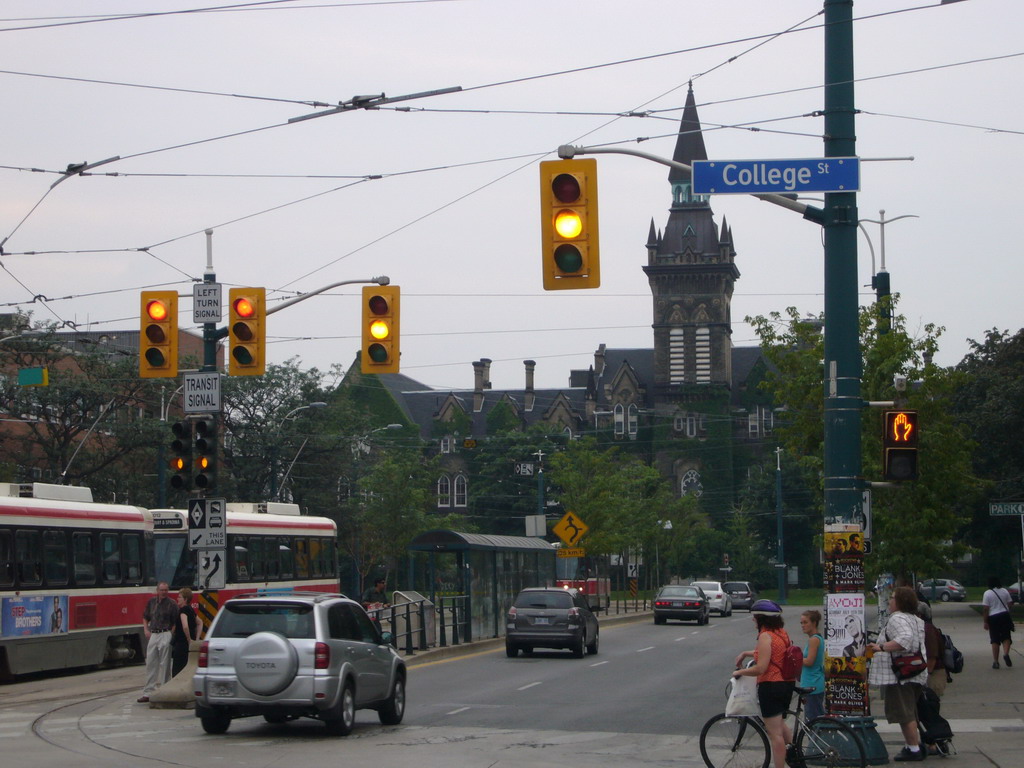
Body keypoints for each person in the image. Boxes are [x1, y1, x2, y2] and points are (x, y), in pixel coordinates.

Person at [867, 585, 929, 762]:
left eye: (892, 598)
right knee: (910, 710)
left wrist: (881, 647)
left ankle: (913, 748)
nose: (889, 601)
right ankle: (914, 744)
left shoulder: (897, 618)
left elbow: (905, 640)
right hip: (916, 671)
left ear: (900, 601)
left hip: (901, 674)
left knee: (904, 713)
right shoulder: (915, 619)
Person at [733, 599, 796, 768]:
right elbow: (773, 654)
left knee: (775, 735)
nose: (753, 620)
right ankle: (797, 758)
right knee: (781, 724)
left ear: (762, 618)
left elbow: (761, 668)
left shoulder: (765, 636)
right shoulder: (782, 633)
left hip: (771, 685)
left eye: (755, 617)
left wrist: (739, 672)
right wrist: (746, 653)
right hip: (786, 684)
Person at [138, 582, 179, 703]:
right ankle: (148, 692)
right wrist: (146, 629)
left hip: (165, 632)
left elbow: (176, 621)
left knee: (165, 663)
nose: (164, 592)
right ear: (157, 590)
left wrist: (171, 633)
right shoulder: (151, 602)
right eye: (162, 590)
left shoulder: (172, 604)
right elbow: (145, 616)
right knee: (151, 662)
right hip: (154, 634)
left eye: (166, 590)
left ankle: (165, 689)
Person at [982, 576, 1014, 669]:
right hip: (1004, 615)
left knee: (995, 639)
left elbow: (985, 609)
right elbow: (1010, 603)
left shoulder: (987, 593)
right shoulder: (1004, 591)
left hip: (993, 617)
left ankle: (996, 662)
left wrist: (985, 621)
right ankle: (1006, 654)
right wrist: (1007, 610)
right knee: (1006, 636)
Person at [799, 609, 825, 721]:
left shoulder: (814, 640)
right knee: (814, 718)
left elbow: (809, 661)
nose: (803, 625)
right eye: (801, 623)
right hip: (812, 682)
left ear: (814, 623)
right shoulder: (816, 639)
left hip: (812, 683)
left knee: (812, 721)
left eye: (805, 622)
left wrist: (795, 658)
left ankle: (817, 739)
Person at [917, 601, 948, 697]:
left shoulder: (928, 630)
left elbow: (932, 656)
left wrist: (926, 676)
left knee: (930, 706)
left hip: (933, 674)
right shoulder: (924, 628)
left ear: (919, 615)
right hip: (930, 672)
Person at [171, 587, 199, 678]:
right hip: (189, 645)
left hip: (182, 644)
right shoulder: (191, 609)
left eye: (179, 597)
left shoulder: (183, 611)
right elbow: (200, 623)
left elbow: (185, 626)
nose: (177, 599)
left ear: (185, 599)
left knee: (178, 669)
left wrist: (189, 639)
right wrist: (196, 639)